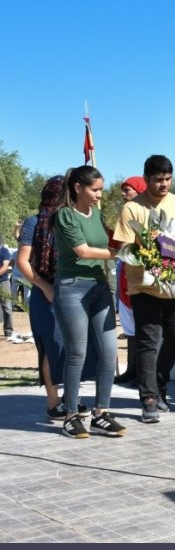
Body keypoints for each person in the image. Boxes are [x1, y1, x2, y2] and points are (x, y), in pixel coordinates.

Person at [113, 155, 175, 424]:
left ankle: (160, 384)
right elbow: (123, 248)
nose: (164, 185)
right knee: (148, 343)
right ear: (147, 179)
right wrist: (149, 257)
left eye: (168, 179)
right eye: (158, 180)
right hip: (145, 289)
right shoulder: (132, 209)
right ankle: (148, 399)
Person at [51, 166, 126, 438]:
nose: (99, 195)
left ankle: (101, 413)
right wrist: (120, 254)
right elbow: (82, 250)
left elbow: (109, 239)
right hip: (72, 289)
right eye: (95, 190)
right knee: (77, 354)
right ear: (78, 188)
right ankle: (71, 415)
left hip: (99, 288)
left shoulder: (97, 214)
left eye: (101, 190)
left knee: (109, 352)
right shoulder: (64, 215)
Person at [16, 175, 93, 420]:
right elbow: (22, 261)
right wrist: (43, 286)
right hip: (45, 293)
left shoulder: (73, 220)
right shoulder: (34, 222)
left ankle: (72, 398)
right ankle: (53, 403)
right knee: (52, 347)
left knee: (75, 347)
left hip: (74, 291)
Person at [113, 176, 147, 386]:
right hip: (125, 276)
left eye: (128, 190)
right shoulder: (124, 215)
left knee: (143, 329)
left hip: (142, 277)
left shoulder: (146, 214)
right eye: (123, 190)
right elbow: (118, 244)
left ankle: (143, 373)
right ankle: (132, 369)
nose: (124, 194)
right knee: (130, 329)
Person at [0, 235, 13, 337]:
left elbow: (5, 266)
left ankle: (8, 331)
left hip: (3, 282)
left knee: (7, 307)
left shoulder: (5, 251)